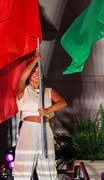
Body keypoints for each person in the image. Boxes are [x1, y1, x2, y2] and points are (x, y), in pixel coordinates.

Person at [13, 49, 67, 180]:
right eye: (33, 71)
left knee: (47, 164)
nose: (36, 74)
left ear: (43, 75)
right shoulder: (23, 90)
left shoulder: (48, 91)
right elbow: (21, 78)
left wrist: (47, 111)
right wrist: (35, 60)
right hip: (29, 129)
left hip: (45, 129)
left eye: (39, 71)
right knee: (24, 163)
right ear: (29, 74)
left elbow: (62, 103)